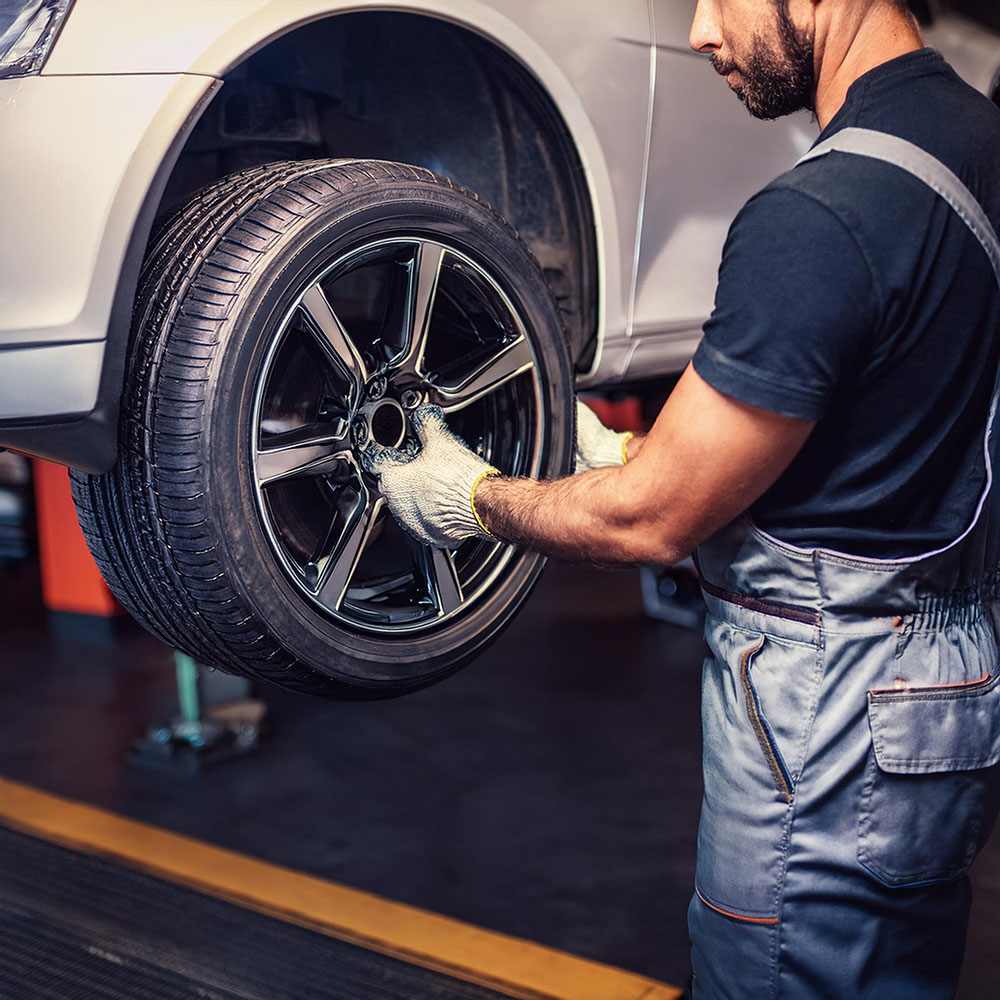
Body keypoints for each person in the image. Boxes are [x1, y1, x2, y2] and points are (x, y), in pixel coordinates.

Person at [365, 1, 1000, 994]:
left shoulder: (822, 214)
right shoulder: (973, 141)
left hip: (825, 712)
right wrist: (631, 450)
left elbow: (649, 521)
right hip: (942, 686)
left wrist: (475, 497)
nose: (701, 31)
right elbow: (889, 410)